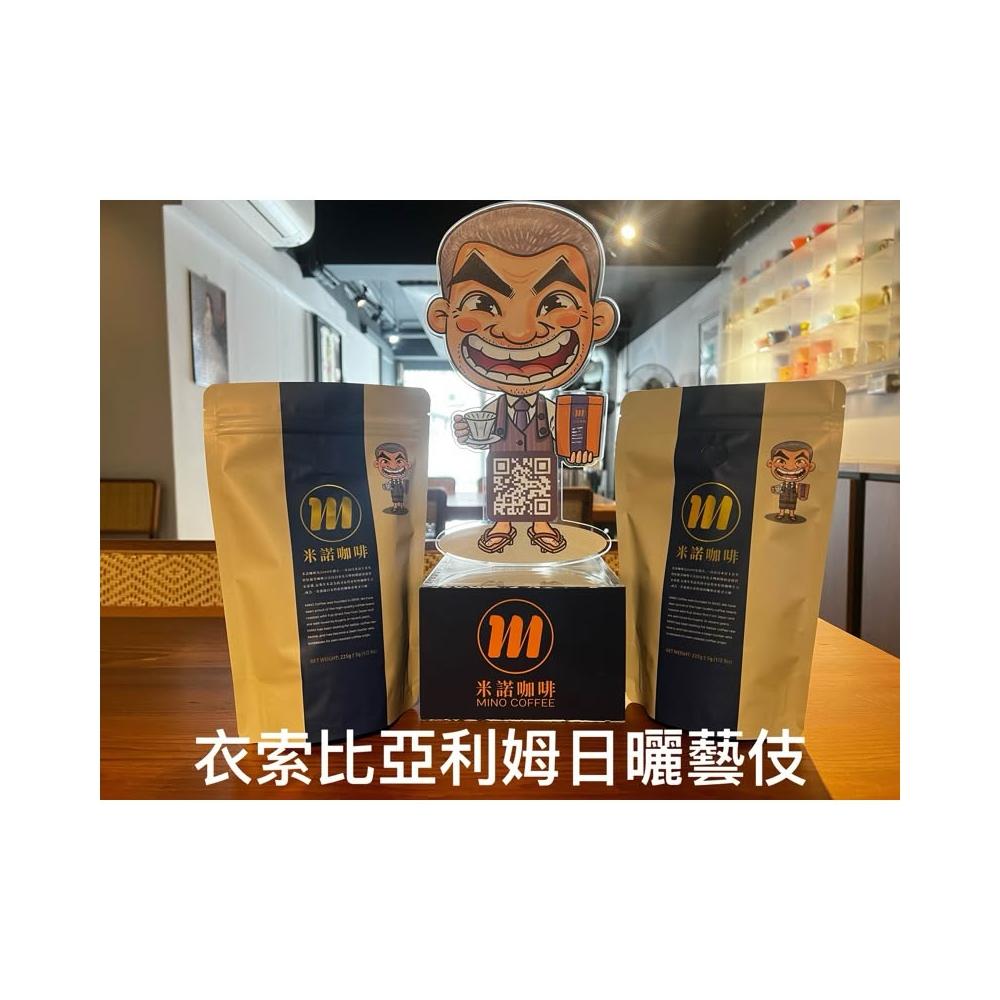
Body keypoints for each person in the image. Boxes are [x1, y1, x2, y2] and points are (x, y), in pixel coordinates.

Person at [426, 202, 618, 555]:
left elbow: (569, 439)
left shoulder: (554, 409)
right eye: (482, 303)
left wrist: (580, 450)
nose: (519, 333)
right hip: (503, 464)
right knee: (503, 494)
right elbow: (481, 431)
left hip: (541, 465)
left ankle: (542, 526)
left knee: (541, 493)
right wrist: (467, 432)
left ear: (598, 320)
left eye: (555, 301)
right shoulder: (495, 408)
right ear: (442, 316)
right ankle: (501, 526)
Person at [765, 440, 816, 523]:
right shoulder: (783, 484)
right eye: (781, 461)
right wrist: (775, 489)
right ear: (770, 463)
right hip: (783, 495)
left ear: (810, 467)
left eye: (800, 461)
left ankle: (791, 514)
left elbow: (800, 490)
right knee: (782, 504)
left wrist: (802, 492)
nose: (790, 467)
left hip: (792, 496)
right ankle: (781, 513)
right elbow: (779, 487)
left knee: (792, 505)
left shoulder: (796, 485)